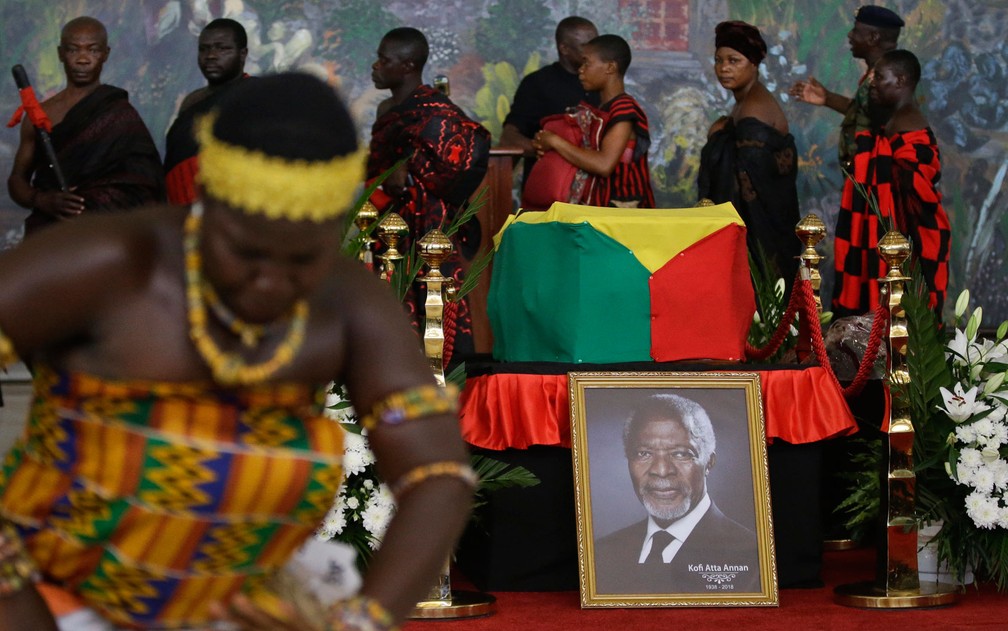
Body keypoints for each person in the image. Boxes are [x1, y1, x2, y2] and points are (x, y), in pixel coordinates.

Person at [0, 72, 475, 631]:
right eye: (246, 252)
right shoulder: (112, 265)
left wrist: (358, 622)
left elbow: (437, 475)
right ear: (206, 204)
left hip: (239, 610)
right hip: (48, 599)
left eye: (302, 260)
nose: (271, 282)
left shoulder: (349, 304)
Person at [367, 27, 490, 361]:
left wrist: (413, 170)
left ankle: (445, 378)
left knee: (434, 302)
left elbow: (466, 153)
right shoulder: (386, 110)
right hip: (388, 222)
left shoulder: (436, 110)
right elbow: (376, 165)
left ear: (407, 65)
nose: (375, 66)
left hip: (429, 222)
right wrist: (392, 174)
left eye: (383, 59)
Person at [6, 16, 165, 237]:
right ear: (61, 53)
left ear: (106, 54)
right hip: (49, 234)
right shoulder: (39, 114)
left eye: (92, 50)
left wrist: (95, 205)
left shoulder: (120, 114)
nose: (83, 59)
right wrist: (43, 200)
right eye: (73, 50)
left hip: (104, 238)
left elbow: (144, 183)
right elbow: (16, 180)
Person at [593, 394, 760, 594]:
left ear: (709, 462)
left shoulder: (752, 554)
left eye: (681, 453)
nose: (661, 470)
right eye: (644, 453)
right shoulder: (603, 552)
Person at [834, 50, 951, 316]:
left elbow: (915, 185)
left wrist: (872, 160)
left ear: (900, 81)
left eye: (880, 77)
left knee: (906, 311)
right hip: (891, 240)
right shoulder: (894, 120)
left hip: (909, 241)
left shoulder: (908, 122)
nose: (873, 83)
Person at [698, 21, 800, 289]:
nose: (724, 68)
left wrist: (717, 138)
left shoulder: (753, 107)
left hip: (762, 235)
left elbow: (752, 184)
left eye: (734, 60)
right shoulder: (743, 102)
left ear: (753, 63)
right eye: (719, 60)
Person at [532, 34, 654, 208]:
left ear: (610, 67)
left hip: (622, 214)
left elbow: (604, 164)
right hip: (598, 206)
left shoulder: (624, 109)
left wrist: (554, 141)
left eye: (586, 63)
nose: (581, 70)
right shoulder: (599, 109)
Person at [788, 5, 903, 175]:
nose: (850, 35)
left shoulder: (887, 82)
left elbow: (889, 138)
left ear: (873, 37)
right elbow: (865, 114)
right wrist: (827, 98)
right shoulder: (880, 75)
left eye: (856, 31)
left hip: (876, 184)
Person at [499, 16, 600, 188]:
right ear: (564, 48)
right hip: (551, 189)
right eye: (585, 46)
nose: (593, 52)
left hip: (597, 191)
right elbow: (509, 137)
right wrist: (547, 148)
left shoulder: (602, 81)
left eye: (596, 45)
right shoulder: (538, 84)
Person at [164, 18, 250, 205]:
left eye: (222, 48)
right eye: (204, 49)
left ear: (243, 54)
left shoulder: (254, 94)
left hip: (229, 209)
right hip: (181, 211)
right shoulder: (191, 101)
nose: (211, 55)